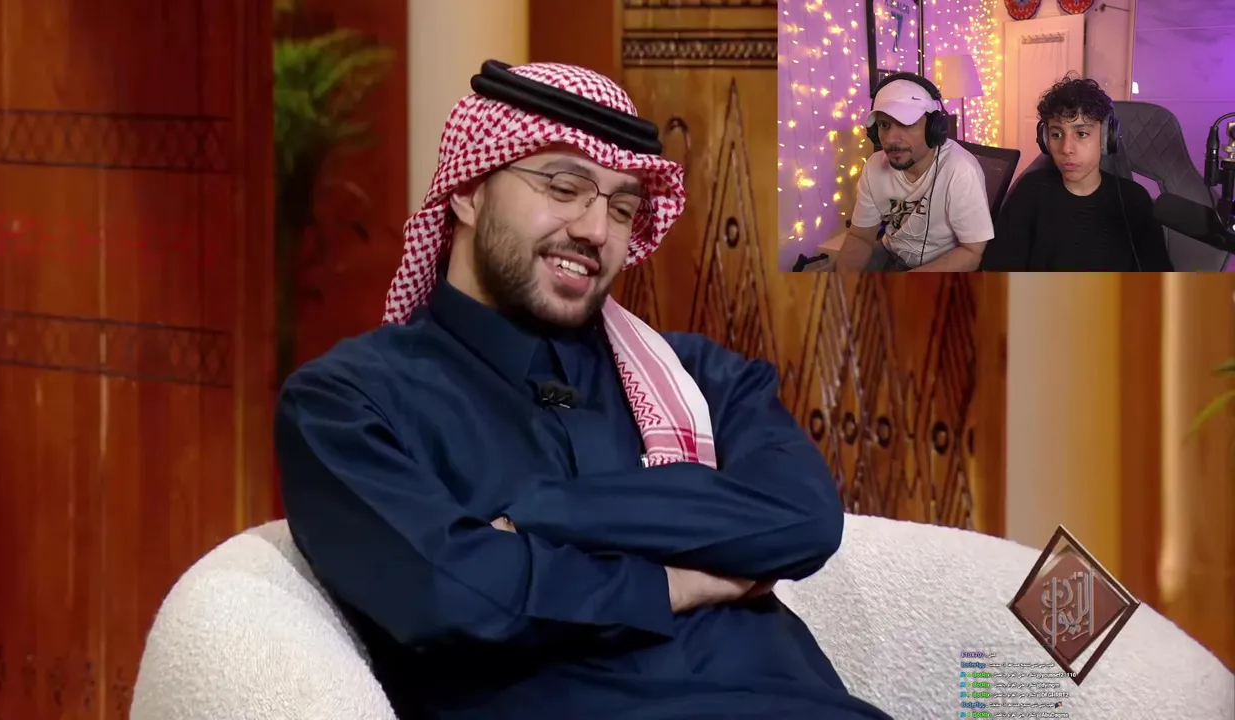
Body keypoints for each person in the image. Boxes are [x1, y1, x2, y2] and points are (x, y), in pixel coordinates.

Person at [274, 60, 893, 720]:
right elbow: (448, 591)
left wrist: (541, 517)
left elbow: (802, 519)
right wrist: (670, 582)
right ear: (469, 192)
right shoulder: (347, 402)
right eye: (564, 187)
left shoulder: (696, 376)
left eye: (621, 208)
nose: (596, 230)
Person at [979, 75, 1172, 271]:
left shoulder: (1134, 200)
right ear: (1045, 140)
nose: (1066, 149)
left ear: (1106, 138)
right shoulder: (1029, 192)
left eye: (1081, 134)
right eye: (1056, 134)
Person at [837, 72, 995, 272]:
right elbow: (860, 237)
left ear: (933, 128)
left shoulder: (961, 170)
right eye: (884, 125)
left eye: (906, 124)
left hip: (944, 265)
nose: (891, 139)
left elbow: (972, 253)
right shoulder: (874, 167)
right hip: (890, 253)